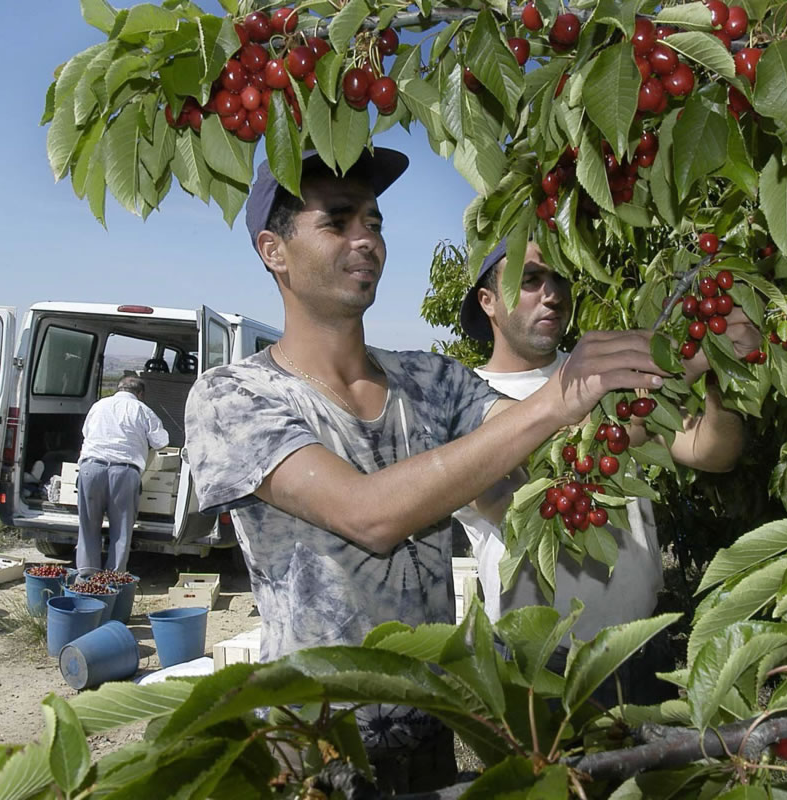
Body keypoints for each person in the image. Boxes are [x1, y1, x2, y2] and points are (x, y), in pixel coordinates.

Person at [183, 147, 670, 791]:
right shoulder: (232, 397)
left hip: (435, 727)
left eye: (374, 222)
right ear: (274, 250)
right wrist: (557, 398)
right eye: (337, 221)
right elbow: (367, 514)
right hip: (316, 744)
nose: (366, 239)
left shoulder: (431, 380)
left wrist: (674, 367)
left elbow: (555, 457)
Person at [453, 240, 755, 706]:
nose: (552, 293)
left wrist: (725, 374)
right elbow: (519, 498)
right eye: (530, 280)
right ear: (488, 300)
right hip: (545, 665)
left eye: (558, 279)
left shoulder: (599, 368)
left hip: (643, 648)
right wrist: (679, 368)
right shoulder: (464, 399)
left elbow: (711, 450)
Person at [76, 376, 169, 572]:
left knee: (88, 527)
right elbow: (161, 442)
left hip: (91, 468)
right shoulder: (143, 410)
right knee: (121, 530)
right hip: (124, 472)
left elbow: (86, 432)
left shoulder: (98, 406)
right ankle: (114, 579)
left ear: (118, 389)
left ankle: (85, 577)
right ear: (140, 394)